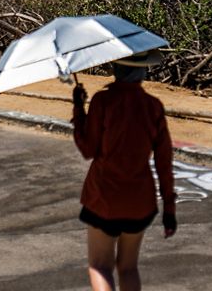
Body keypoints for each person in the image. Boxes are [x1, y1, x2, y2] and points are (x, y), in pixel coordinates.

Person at [71, 54, 177, 291]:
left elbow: (88, 149)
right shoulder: (153, 106)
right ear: (142, 72)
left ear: (115, 69)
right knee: (128, 268)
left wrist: (79, 110)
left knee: (100, 266)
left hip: (103, 197)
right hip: (139, 200)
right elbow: (164, 162)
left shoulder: (102, 101)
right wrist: (169, 209)